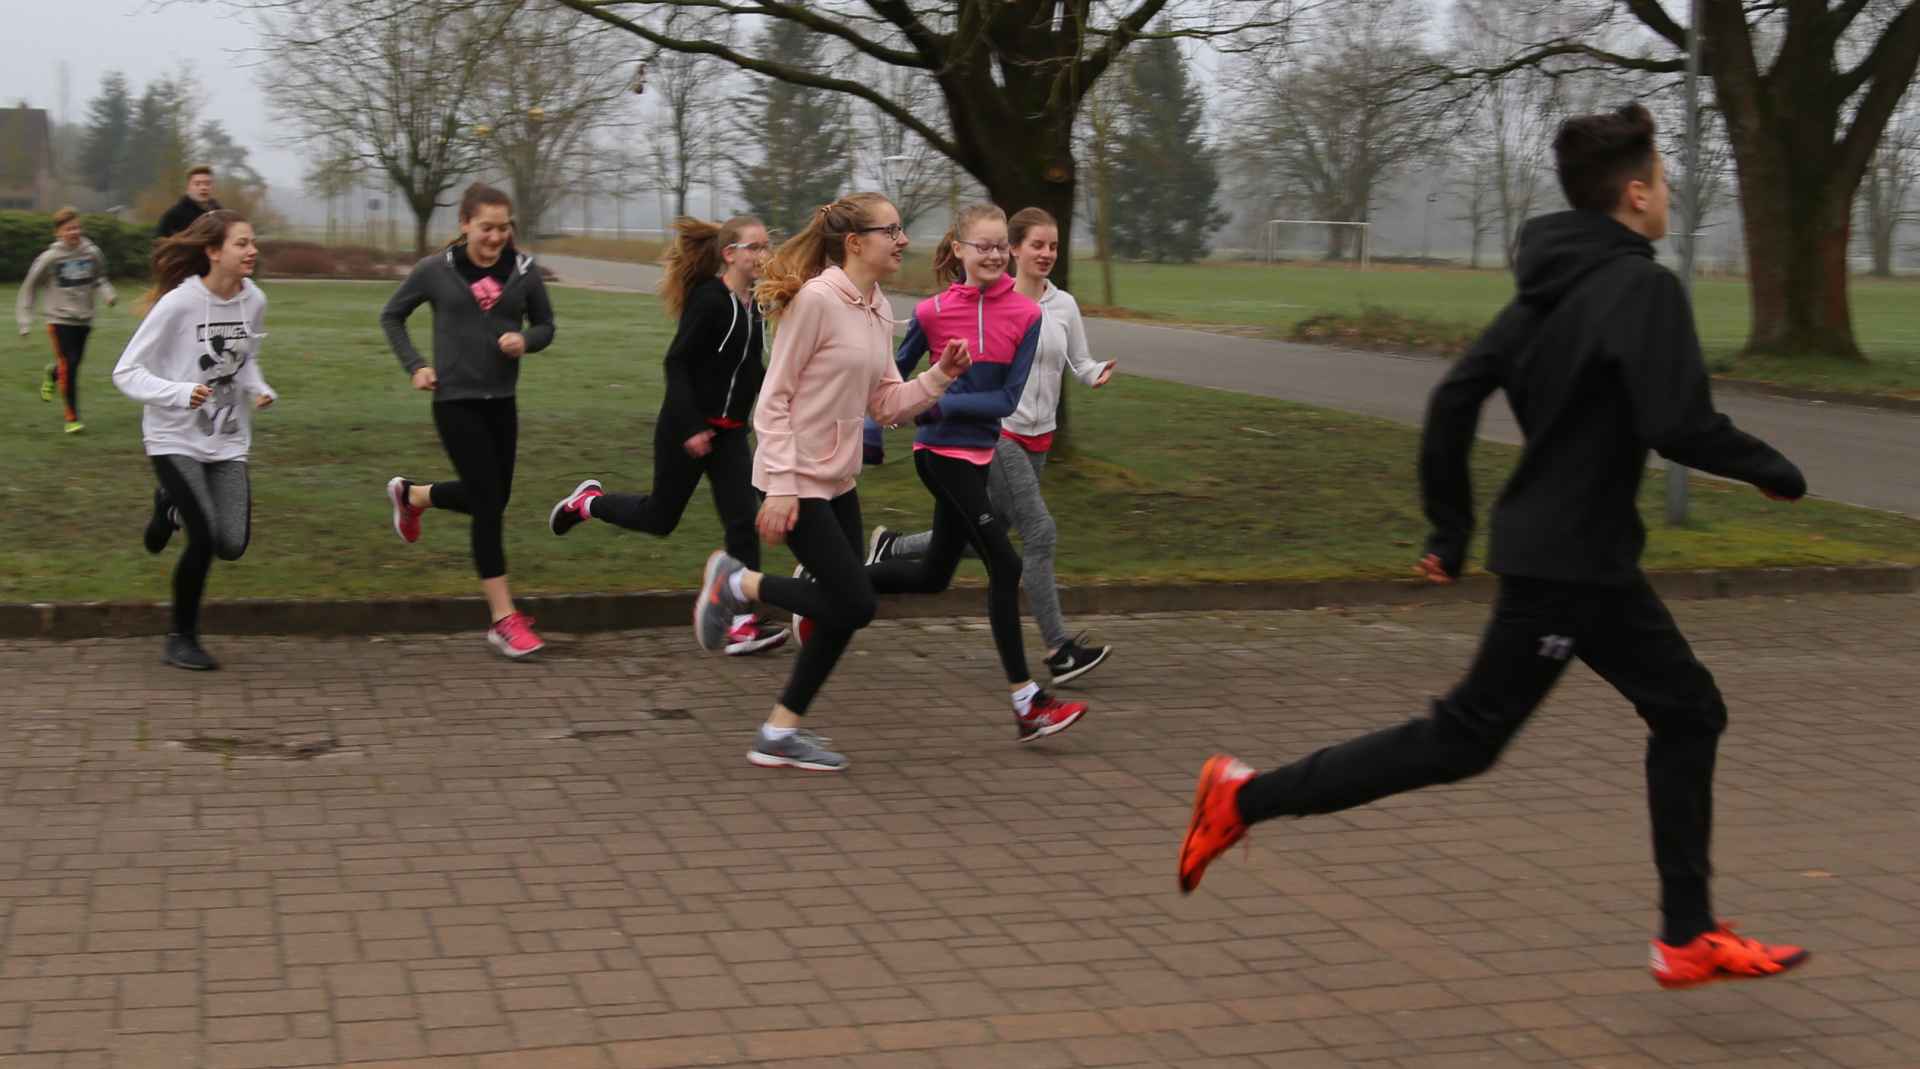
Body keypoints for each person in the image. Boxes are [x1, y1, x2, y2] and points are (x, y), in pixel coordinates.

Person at [1177, 104, 1811, 992]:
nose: (1668, 194)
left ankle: (1687, 934)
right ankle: (1241, 796)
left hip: (1587, 564)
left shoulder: (1544, 291)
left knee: (1689, 708)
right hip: (1566, 571)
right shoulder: (1643, 287)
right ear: (1635, 195)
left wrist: (1450, 528)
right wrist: (1776, 469)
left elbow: (1453, 401)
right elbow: (1680, 424)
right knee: (1464, 739)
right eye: (1663, 180)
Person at [690, 193, 967, 772]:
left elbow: (885, 404)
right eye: (891, 230)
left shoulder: (876, 305)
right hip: (794, 480)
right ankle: (738, 584)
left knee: (843, 609)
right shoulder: (816, 301)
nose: (903, 240)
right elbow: (773, 401)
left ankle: (779, 731)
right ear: (855, 242)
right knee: (856, 602)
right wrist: (785, 485)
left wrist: (938, 377)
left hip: (837, 481)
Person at [861, 202, 1090, 741]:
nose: (990, 255)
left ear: (1007, 252)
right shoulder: (933, 311)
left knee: (933, 574)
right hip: (938, 456)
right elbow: (889, 376)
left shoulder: (1029, 317)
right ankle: (1027, 702)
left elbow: (1007, 399)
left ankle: (832, 580)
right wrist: (883, 423)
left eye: (997, 247)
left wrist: (942, 402)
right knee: (1005, 564)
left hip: (981, 451)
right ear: (958, 249)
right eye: (979, 246)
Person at [547, 215, 787, 655]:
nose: (763, 255)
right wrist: (692, 425)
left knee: (742, 521)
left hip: (731, 436)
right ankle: (587, 504)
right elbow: (675, 364)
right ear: (729, 254)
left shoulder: (754, 305)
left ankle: (741, 621)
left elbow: (748, 370)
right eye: (755, 247)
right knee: (660, 518)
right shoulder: (709, 300)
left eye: (766, 246)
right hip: (687, 429)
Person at [380, 182, 556, 659]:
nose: (496, 236)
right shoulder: (435, 271)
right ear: (464, 224)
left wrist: (527, 342)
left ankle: (414, 495)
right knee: (487, 504)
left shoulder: (523, 271)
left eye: (504, 227)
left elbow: (545, 325)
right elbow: (392, 315)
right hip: (454, 401)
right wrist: (416, 365)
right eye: (486, 227)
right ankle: (503, 620)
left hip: (502, 401)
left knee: (495, 496)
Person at [112, 209, 275, 671]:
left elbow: (246, 360)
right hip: (171, 436)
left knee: (231, 542)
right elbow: (125, 372)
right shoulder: (179, 304)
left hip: (226, 438)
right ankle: (181, 637)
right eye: (242, 243)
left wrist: (259, 388)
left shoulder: (254, 300)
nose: (252, 251)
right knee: (202, 538)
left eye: (252, 242)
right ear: (213, 251)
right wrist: (179, 393)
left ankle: (170, 506)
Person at [17, 207, 116, 434]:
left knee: (71, 363)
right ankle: (72, 417)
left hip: (84, 318)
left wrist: (108, 293)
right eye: (69, 229)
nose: (74, 232)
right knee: (70, 366)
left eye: (77, 227)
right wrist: (25, 320)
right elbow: (29, 287)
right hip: (58, 319)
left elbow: (99, 277)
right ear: (58, 233)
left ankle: (52, 373)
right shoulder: (50, 258)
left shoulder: (92, 253)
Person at [157, 166, 221, 238]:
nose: (203, 188)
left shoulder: (220, 212)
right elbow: (159, 241)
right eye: (197, 184)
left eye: (207, 184)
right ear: (189, 187)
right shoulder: (175, 213)